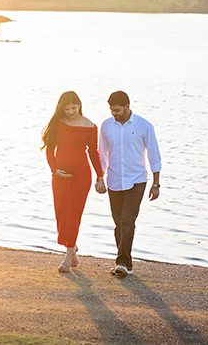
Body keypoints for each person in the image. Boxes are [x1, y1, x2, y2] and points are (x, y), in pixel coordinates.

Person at [97, 90, 161, 278]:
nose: (114, 113)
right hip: (114, 180)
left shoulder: (144, 126)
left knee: (127, 220)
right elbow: (102, 154)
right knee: (118, 224)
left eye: (117, 110)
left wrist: (156, 184)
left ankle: (122, 262)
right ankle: (127, 263)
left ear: (127, 106)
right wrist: (99, 178)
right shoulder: (107, 126)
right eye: (111, 110)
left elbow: (154, 155)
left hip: (137, 180)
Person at [42, 91, 104, 272]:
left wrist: (100, 176)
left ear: (79, 104)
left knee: (73, 214)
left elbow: (93, 153)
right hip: (59, 176)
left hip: (81, 176)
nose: (70, 112)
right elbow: (49, 150)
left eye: (73, 108)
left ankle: (68, 257)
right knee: (61, 214)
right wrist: (55, 170)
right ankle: (73, 247)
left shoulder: (90, 126)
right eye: (67, 109)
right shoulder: (57, 123)